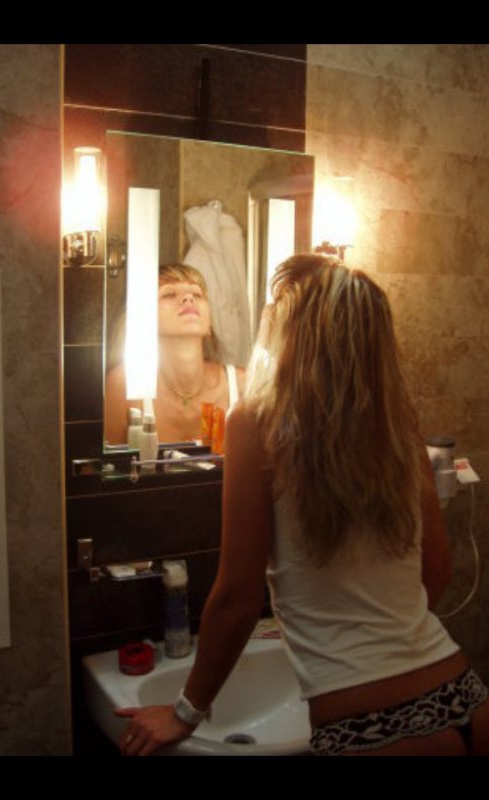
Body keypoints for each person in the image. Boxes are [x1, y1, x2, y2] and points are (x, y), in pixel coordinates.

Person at [115, 254, 489, 757]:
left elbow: (238, 599)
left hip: (371, 724)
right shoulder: (396, 427)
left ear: (296, 333)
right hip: (463, 694)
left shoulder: (256, 423)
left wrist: (184, 713)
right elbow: (437, 570)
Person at [105, 263, 246, 445]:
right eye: (169, 294)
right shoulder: (125, 385)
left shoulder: (241, 386)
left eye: (197, 294)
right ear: (143, 317)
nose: (188, 298)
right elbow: (106, 461)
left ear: (209, 323)